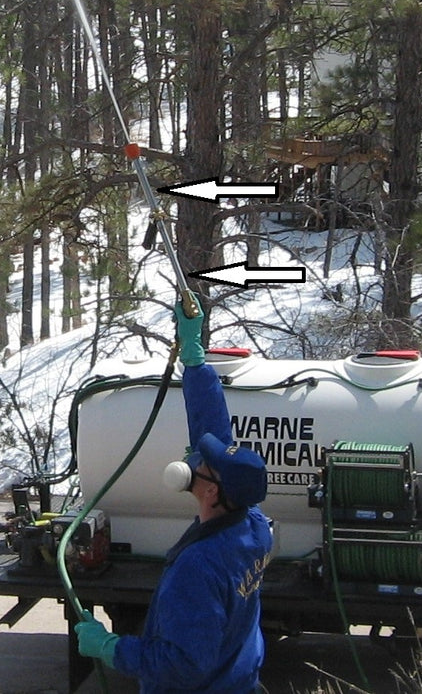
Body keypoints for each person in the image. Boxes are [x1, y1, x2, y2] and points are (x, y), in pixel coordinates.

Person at [75, 293, 273, 693]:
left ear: (211, 491)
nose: (194, 457)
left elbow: (183, 666)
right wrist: (195, 359)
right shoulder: (253, 526)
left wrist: (111, 647)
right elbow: (214, 433)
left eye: (204, 462)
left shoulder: (198, 568)